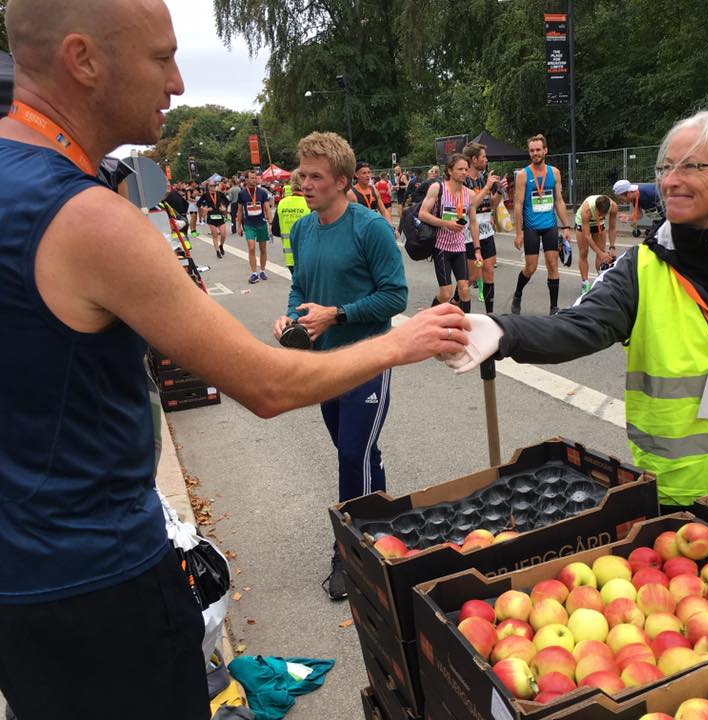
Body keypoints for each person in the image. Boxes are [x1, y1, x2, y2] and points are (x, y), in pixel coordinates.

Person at [0, 1, 469, 717]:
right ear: (83, 59)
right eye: (160, 57)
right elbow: (265, 384)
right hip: (100, 581)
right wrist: (406, 341)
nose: (180, 83)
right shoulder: (88, 217)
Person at [446, 111, 708, 509]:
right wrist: (502, 331)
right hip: (678, 502)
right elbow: (580, 327)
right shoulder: (642, 266)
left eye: (691, 166)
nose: (669, 181)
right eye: (665, 168)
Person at [272, 132, 410, 601]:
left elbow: (396, 296)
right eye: (301, 174)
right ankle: (384, 521)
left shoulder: (368, 228)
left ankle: (353, 552)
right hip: (322, 361)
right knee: (357, 452)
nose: (303, 184)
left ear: (342, 182)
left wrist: (338, 313)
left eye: (314, 176)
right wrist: (291, 314)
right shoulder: (302, 229)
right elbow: (298, 285)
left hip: (368, 357)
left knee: (352, 454)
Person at [512, 134, 573, 315]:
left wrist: (566, 226)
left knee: (553, 264)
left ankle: (553, 307)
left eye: (538, 150)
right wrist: (518, 233)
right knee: (530, 268)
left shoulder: (554, 173)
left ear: (545, 150)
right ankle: (517, 294)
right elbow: (518, 205)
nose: (535, 153)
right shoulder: (523, 175)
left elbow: (559, 201)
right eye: (532, 150)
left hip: (550, 225)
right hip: (531, 226)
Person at [419, 153, 481, 312]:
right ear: (450, 170)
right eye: (460, 169)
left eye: (466, 169)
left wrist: (477, 250)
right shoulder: (437, 188)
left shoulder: (470, 194)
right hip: (441, 247)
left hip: (460, 247)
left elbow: (473, 223)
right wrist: (446, 223)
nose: (464, 172)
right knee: (446, 294)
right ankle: (429, 319)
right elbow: (423, 214)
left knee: (464, 289)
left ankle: (466, 327)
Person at [462, 142, 501, 313]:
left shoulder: (484, 178)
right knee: (471, 278)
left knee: (489, 272)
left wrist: (499, 191)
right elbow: (471, 205)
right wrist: (486, 188)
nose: (486, 159)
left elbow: (491, 204)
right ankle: (454, 305)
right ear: (473, 159)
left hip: (486, 230)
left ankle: (490, 314)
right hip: (470, 233)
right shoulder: (463, 180)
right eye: (483, 157)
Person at [574, 194, 618, 293]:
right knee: (583, 252)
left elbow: (612, 228)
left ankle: (600, 280)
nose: (604, 216)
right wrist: (599, 253)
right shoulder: (587, 209)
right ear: (597, 209)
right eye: (601, 214)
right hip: (583, 223)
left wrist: (612, 247)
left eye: (605, 214)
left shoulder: (613, 207)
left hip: (598, 224)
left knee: (602, 250)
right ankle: (585, 283)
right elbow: (587, 235)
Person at [236, 169, 273, 283]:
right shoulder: (242, 193)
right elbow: (240, 211)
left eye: (255, 177)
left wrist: (271, 223)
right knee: (251, 248)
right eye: (252, 178)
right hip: (249, 224)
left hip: (261, 223)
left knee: (263, 248)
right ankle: (254, 273)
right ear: (246, 180)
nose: (254, 180)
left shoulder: (262, 192)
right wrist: (238, 226)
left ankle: (262, 270)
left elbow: (267, 209)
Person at [271, 169, 310, 273]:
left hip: (290, 258)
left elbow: (275, 230)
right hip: (308, 257)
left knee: (297, 286)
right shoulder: (310, 202)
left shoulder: (282, 203)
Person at [198, 181, 230, 257]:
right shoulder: (205, 195)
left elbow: (227, 201)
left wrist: (224, 207)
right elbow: (198, 204)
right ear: (208, 187)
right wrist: (205, 209)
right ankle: (217, 251)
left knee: (223, 234)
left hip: (219, 215)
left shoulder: (219, 193)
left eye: (214, 185)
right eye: (211, 185)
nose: (213, 187)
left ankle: (221, 245)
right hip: (211, 216)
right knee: (215, 235)